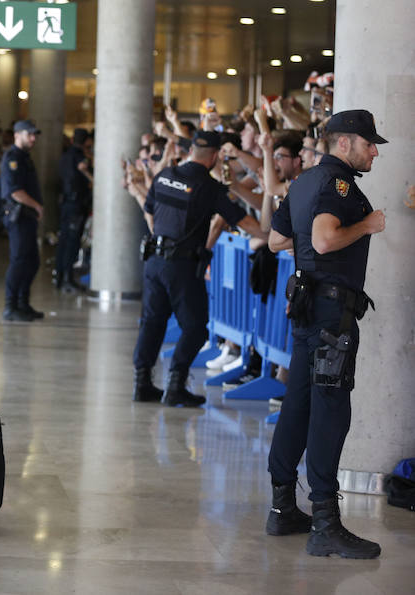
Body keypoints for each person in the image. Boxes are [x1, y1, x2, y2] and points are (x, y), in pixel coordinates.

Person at [265, 110, 386, 559]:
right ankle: (325, 522)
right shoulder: (339, 185)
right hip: (331, 314)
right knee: (330, 410)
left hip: (307, 307)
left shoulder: (300, 182)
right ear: (343, 143)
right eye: (368, 143)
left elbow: (277, 241)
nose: (374, 150)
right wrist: (367, 225)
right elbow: (323, 240)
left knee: (297, 404)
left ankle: (282, 508)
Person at [132, 130, 266, 407]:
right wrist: (273, 236)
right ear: (215, 156)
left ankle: (142, 384)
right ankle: (175, 386)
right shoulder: (209, 187)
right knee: (195, 328)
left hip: (154, 260)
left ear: (191, 149)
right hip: (181, 266)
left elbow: (148, 209)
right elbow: (243, 221)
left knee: (152, 323)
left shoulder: (164, 175)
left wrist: (161, 237)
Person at [0, 119, 44, 322]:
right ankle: (10, 306)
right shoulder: (13, 158)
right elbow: (15, 191)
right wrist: (36, 205)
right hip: (18, 216)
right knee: (19, 261)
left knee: (32, 261)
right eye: (29, 134)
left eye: (34, 134)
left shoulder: (25, 157)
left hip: (27, 218)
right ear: (17, 135)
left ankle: (23, 303)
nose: (33, 138)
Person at [55, 128, 93, 293]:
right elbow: (86, 174)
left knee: (64, 241)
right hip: (76, 204)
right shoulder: (80, 157)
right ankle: (67, 279)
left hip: (66, 202)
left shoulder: (64, 155)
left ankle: (60, 277)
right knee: (72, 243)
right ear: (87, 142)